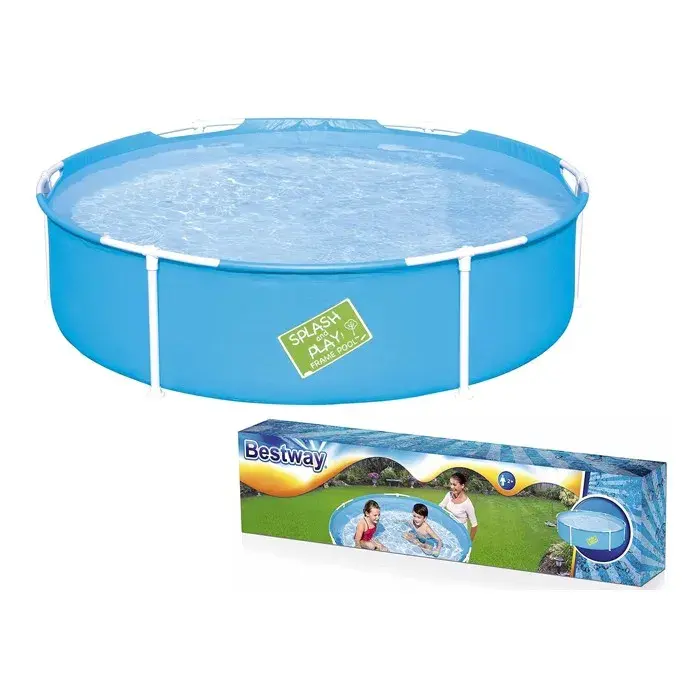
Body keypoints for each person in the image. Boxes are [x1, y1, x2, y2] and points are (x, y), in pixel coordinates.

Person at [440, 472, 478, 542]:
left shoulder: (467, 504)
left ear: (462, 485)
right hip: (448, 529)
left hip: (460, 534)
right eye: (451, 484)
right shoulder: (449, 495)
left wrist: (469, 542)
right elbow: (440, 507)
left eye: (454, 485)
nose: (452, 487)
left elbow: (474, 525)